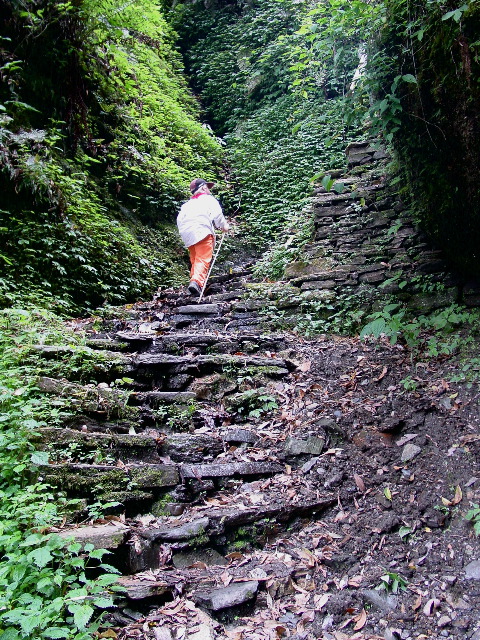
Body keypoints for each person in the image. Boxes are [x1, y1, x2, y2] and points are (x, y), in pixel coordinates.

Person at [176, 178, 230, 296]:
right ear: (203, 187)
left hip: (188, 235)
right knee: (202, 259)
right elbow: (217, 214)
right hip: (202, 231)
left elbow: (179, 220)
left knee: (195, 259)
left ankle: (193, 285)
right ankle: (196, 282)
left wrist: (184, 234)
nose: (209, 190)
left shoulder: (187, 205)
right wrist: (224, 226)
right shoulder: (208, 199)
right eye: (207, 187)